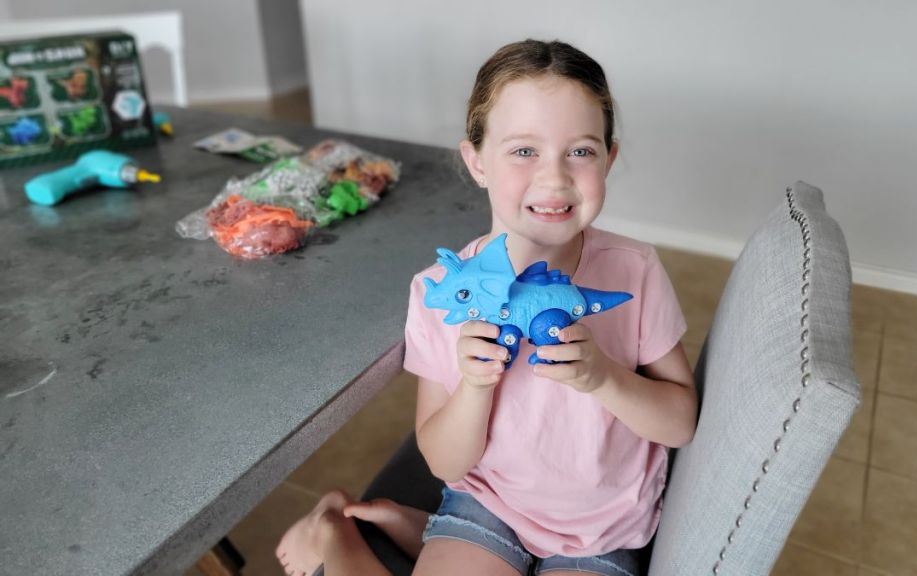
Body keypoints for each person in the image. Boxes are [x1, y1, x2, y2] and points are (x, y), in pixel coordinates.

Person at [276, 38, 697, 576]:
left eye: (582, 151)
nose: (555, 177)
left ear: (609, 159)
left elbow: (680, 424)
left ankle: (405, 528)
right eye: (524, 150)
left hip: (602, 530)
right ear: (477, 162)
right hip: (489, 506)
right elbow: (445, 460)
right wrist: (475, 384)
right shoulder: (436, 293)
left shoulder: (636, 270)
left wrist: (603, 378)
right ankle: (341, 533)